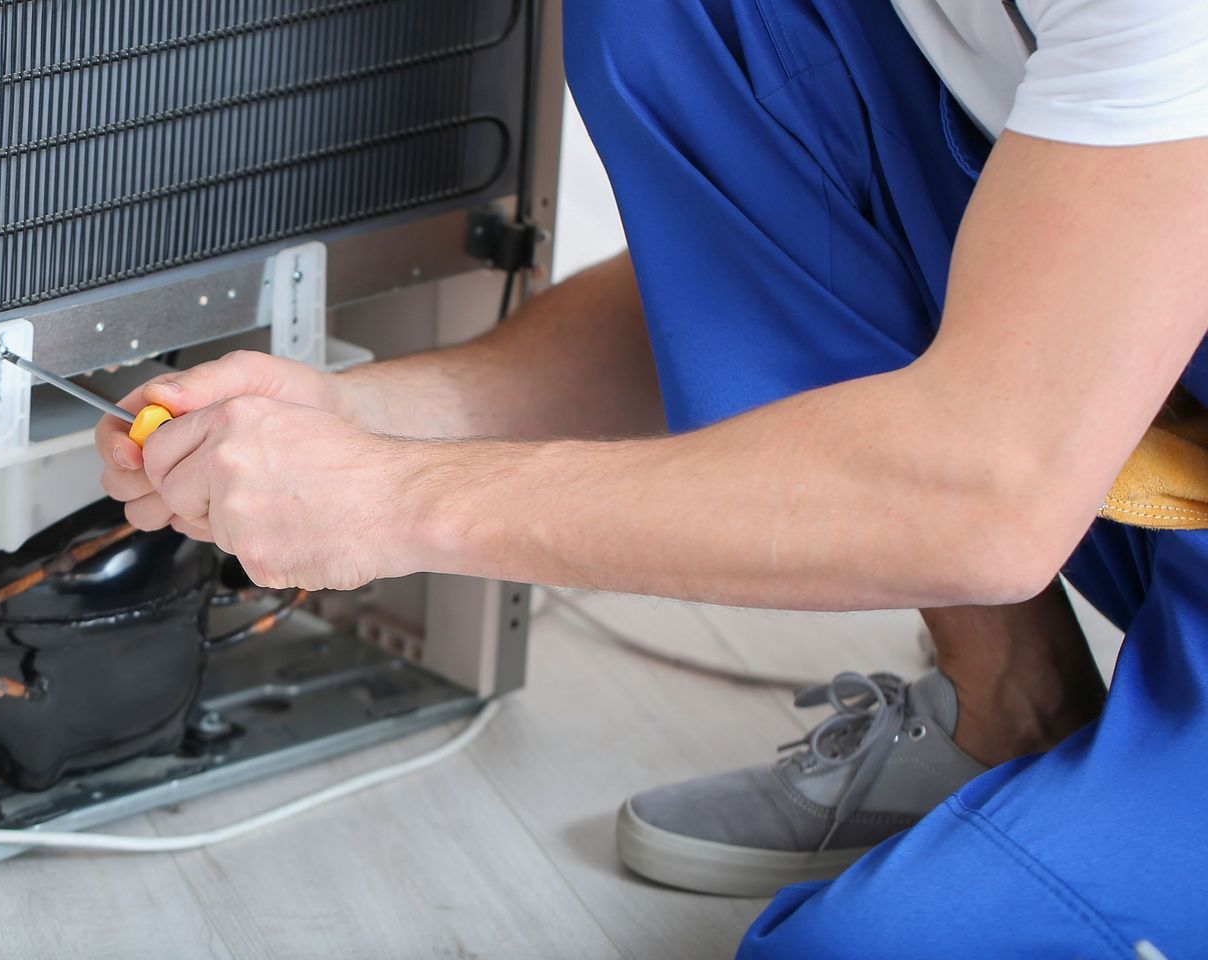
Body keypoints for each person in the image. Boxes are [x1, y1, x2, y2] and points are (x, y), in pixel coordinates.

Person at [98, 0, 1207, 955]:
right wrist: (370, 416)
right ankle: (1010, 707)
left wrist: (390, 501)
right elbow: (812, 252)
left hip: (1045, 468)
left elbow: (989, 498)